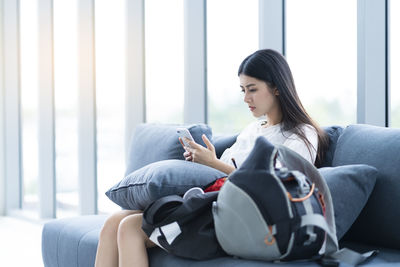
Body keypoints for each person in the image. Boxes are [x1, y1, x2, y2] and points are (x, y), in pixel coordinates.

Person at [94, 49, 328, 267]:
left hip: (243, 213)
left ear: (277, 87)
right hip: (213, 200)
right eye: (243, 90)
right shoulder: (253, 130)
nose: (246, 98)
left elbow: (278, 188)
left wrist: (213, 163)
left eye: (252, 89)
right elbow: (222, 172)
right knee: (113, 222)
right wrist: (205, 160)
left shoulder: (301, 133)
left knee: (129, 228)